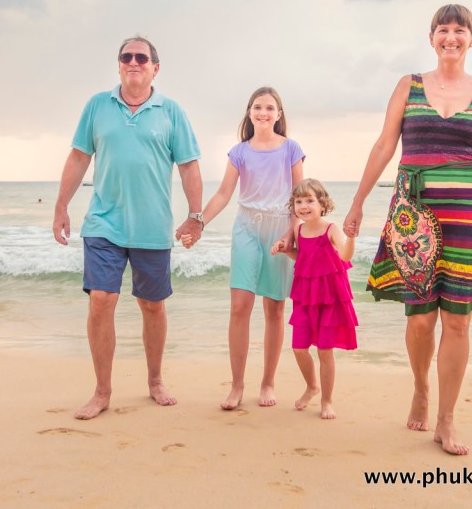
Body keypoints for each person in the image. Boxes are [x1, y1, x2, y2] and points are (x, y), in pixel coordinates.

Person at [342, 4, 472, 454]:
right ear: (431, 37)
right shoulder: (409, 85)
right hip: (412, 214)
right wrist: (358, 201)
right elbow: (384, 144)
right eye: (443, 29)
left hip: (469, 214)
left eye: (460, 30)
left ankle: (447, 418)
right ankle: (420, 387)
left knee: (457, 320)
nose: (451, 37)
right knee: (420, 320)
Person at [52, 36, 205, 420]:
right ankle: (102, 391)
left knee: (152, 305)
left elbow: (189, 166)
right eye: (126, 57)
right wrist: (61, 207)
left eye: (142, 57)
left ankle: (155, 381)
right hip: (104, 222)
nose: (133, 62)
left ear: (155, 67)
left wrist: (196, 215)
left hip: (153, 226)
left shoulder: (171, 111)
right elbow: (78, 157)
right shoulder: (97, 106)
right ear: (119, 65)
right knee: (101, 300)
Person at [185, 87, 304, 410]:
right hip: (247, 228)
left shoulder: (291, 149)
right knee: (239, 306)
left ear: (279, 115)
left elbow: (299, 196)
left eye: (269, 108)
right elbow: (224, 194)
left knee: (275, 308)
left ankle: (267, 382)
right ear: (249, 113)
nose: (263, 113)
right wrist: (199, 222)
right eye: (257, 107)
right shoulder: (239, 152)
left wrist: (293, 234)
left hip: (279, 229)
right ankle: (236, 385)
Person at [272, 178, 358, 420]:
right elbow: (302, 258)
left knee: (324, 350)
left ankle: (327, 400)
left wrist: (351, 238)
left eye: (310, 200)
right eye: (299, 201)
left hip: (330, 298)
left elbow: (344, 254)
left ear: (322, 204)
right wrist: (284, 248)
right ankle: (312, 386)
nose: (304, 206)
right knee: (299, 348)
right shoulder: (299, 230)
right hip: (305, 297)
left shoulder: (331, 229)